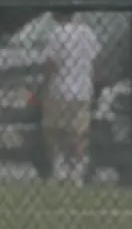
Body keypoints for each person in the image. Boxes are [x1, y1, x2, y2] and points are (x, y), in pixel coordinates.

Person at [41, 11, 101, 186]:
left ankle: (60, 168)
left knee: (53, 129)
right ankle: (77, 171)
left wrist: (43, 86)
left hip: (59, 89)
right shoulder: (87, 33)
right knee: (79, 132)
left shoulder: (56, 34)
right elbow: (94, 60)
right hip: (82, 89)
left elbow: (51, 63)